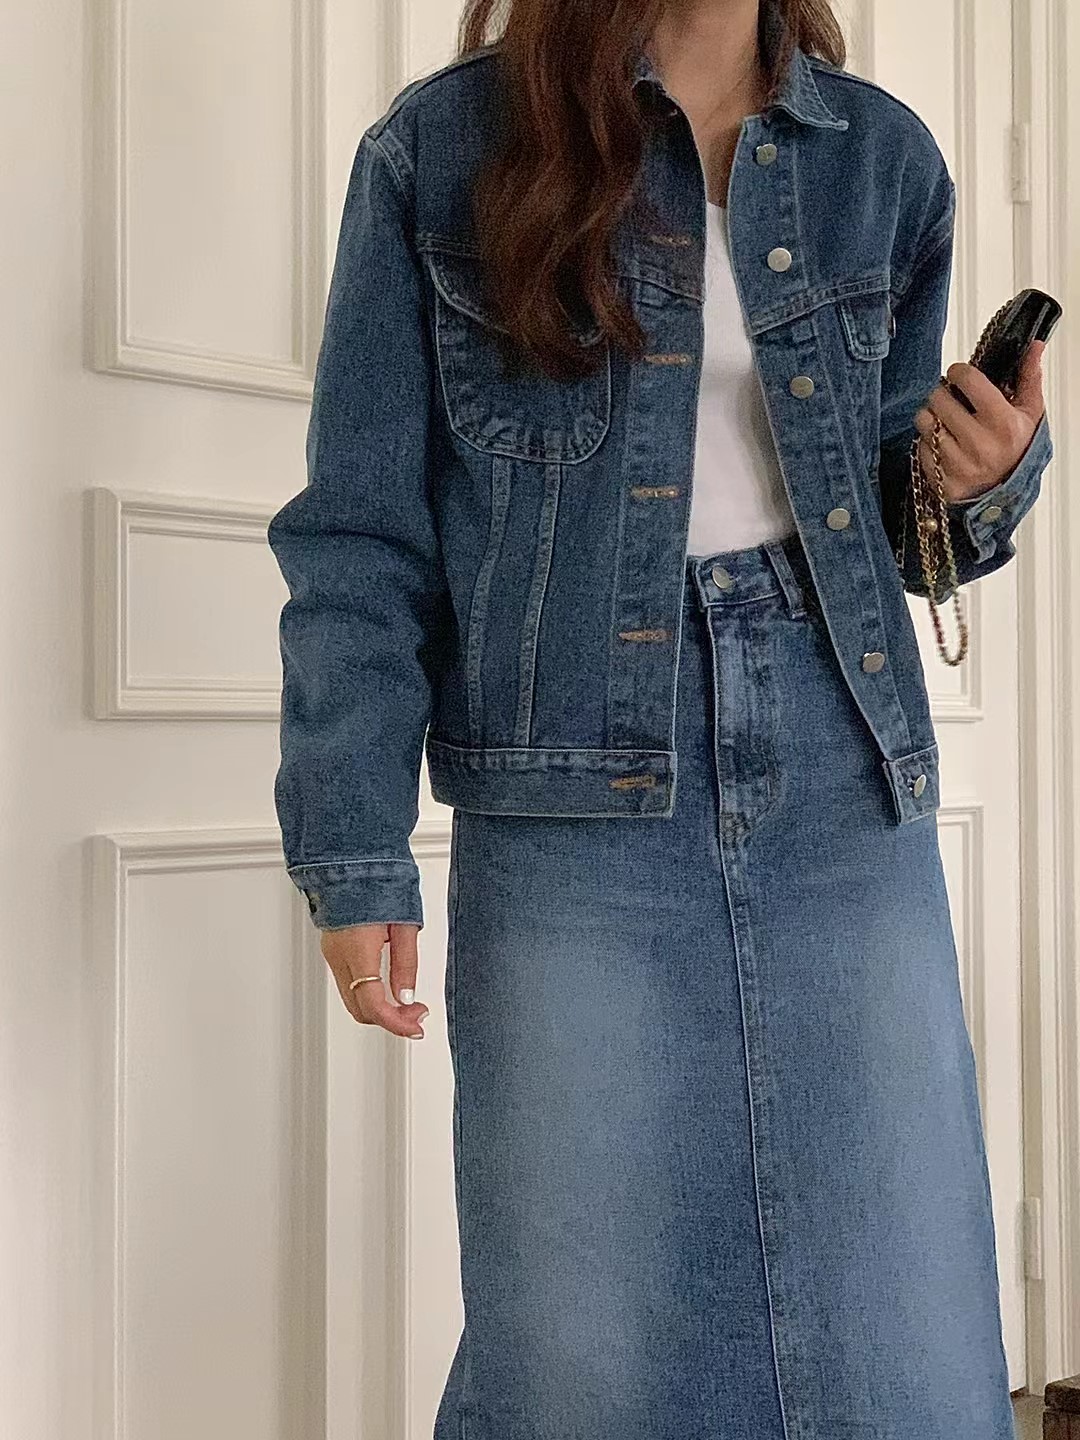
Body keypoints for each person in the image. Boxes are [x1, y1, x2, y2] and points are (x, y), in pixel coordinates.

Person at [267, 0, 1053, 1434]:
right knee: (584, 1323)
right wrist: (352, 846)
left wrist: (985, 476)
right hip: (570, 777)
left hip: (838, 765)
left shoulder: (882, 160)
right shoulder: (445, 151)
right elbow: (361, 535)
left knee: (899, 1301)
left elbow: (892, 507)